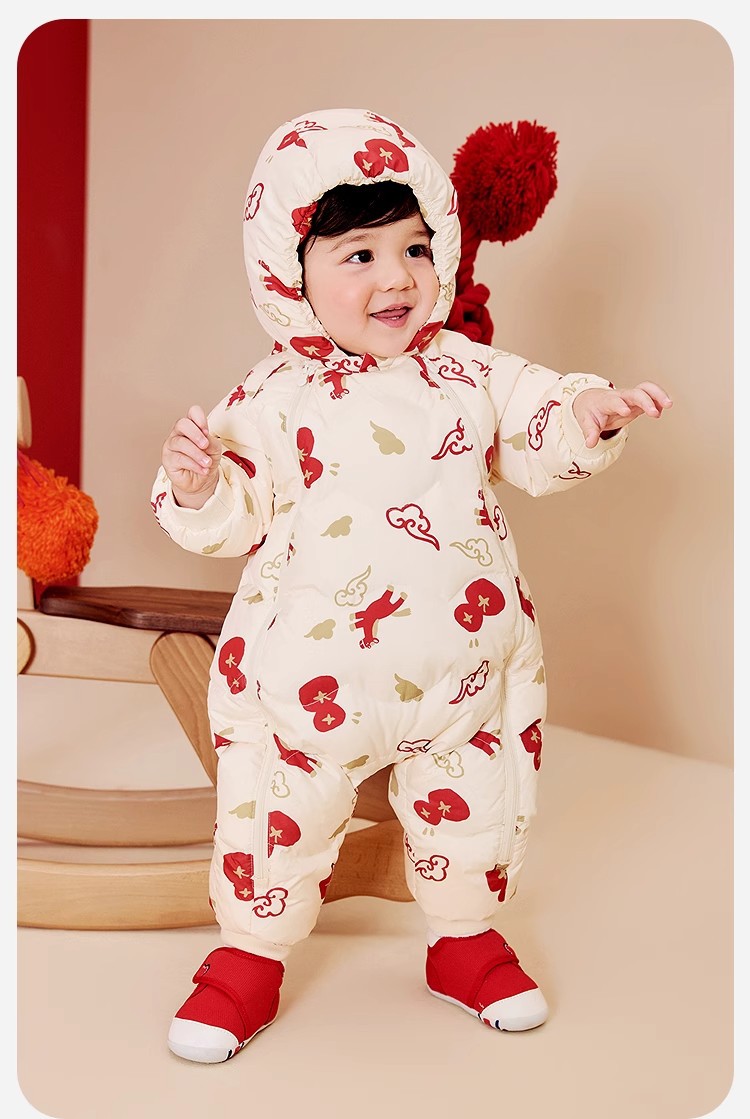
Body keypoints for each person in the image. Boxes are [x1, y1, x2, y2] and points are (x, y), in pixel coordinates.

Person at [151, 107, 672, 1064]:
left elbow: (537, 419)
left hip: (462, 672)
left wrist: (587, 413)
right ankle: (249, 955)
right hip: (309, 678)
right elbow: (233, 508)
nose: (397, 277)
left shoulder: (467, 370)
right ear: (290, 274)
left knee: (477, 804)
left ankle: (464, 939)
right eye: (359, 255)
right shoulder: (273, 394)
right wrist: (197, 485)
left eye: (416, 248)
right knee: (272, 812)